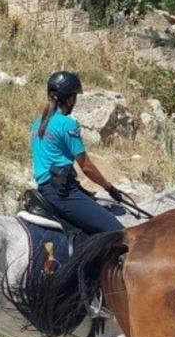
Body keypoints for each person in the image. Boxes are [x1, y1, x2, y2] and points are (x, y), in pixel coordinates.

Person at [31, 71, 124, 235]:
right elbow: (86, 167)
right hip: (62, 193)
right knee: (118, 233)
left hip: (45, 188)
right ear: (69, 98)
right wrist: (109, 188)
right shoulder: (67, 124)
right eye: (75, 97)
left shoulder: (37, 124)